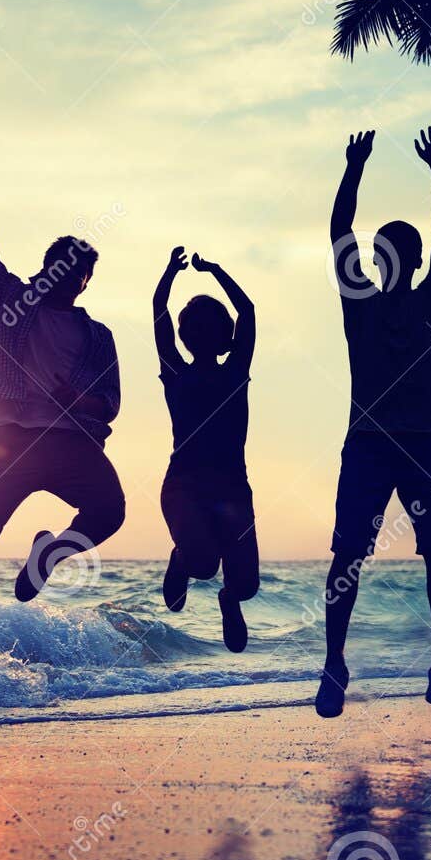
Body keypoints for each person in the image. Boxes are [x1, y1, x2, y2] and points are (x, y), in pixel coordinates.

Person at [0, 122, 124, 679]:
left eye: (78, 270)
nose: (69, 275)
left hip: (70, 444)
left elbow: (109, 405)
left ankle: (49, 554)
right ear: (46, 265)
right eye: (59, 264)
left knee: (110, 511)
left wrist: (78, 400)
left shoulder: (98, 336)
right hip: (7, 443)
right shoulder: (9, 301)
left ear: (86, 280)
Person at [316, 127, 431, 717]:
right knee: (348, 554)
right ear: (376, 261)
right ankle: (334, 663)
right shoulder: (362, 303)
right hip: (372, 444)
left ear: (416, 260)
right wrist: (354, 168)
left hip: (424, 443)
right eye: (381, 253)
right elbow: (338, 233)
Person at [152, 246, 259, 651]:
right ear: (185, 335)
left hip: (233, 487)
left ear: (224, 334)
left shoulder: (236, 371)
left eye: (211, 326)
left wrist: (217, 269)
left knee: (245, 586)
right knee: (201, 565)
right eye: (193, 326)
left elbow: (247, 311)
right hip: (185, 485)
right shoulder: (175, 371)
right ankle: (181, 558)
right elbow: (159, 311)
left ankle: (228, 600)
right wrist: (169, 274)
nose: (201, 332)